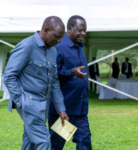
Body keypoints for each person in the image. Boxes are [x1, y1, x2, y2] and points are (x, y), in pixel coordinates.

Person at [4, 16, 69, 150]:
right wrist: (22, 101)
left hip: (43, 105)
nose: (59, 41)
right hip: (29, 104)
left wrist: (61, 109)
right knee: (43, 143)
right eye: (57, 37)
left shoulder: (52, 50)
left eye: (61, 37)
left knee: (30, 143)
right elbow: (9, 76)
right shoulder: (26, 46)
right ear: (45, 30)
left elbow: (54, 82)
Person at [48, 15, 92, 150]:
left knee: (84, 141)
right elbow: (51, 75)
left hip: (80, 109)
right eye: (80, 30)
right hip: (64, 110)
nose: (83, 33)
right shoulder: (59, 47)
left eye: (84, 30)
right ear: (70, 28)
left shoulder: (79, 47)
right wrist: (71, 73)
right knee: (57, 145)